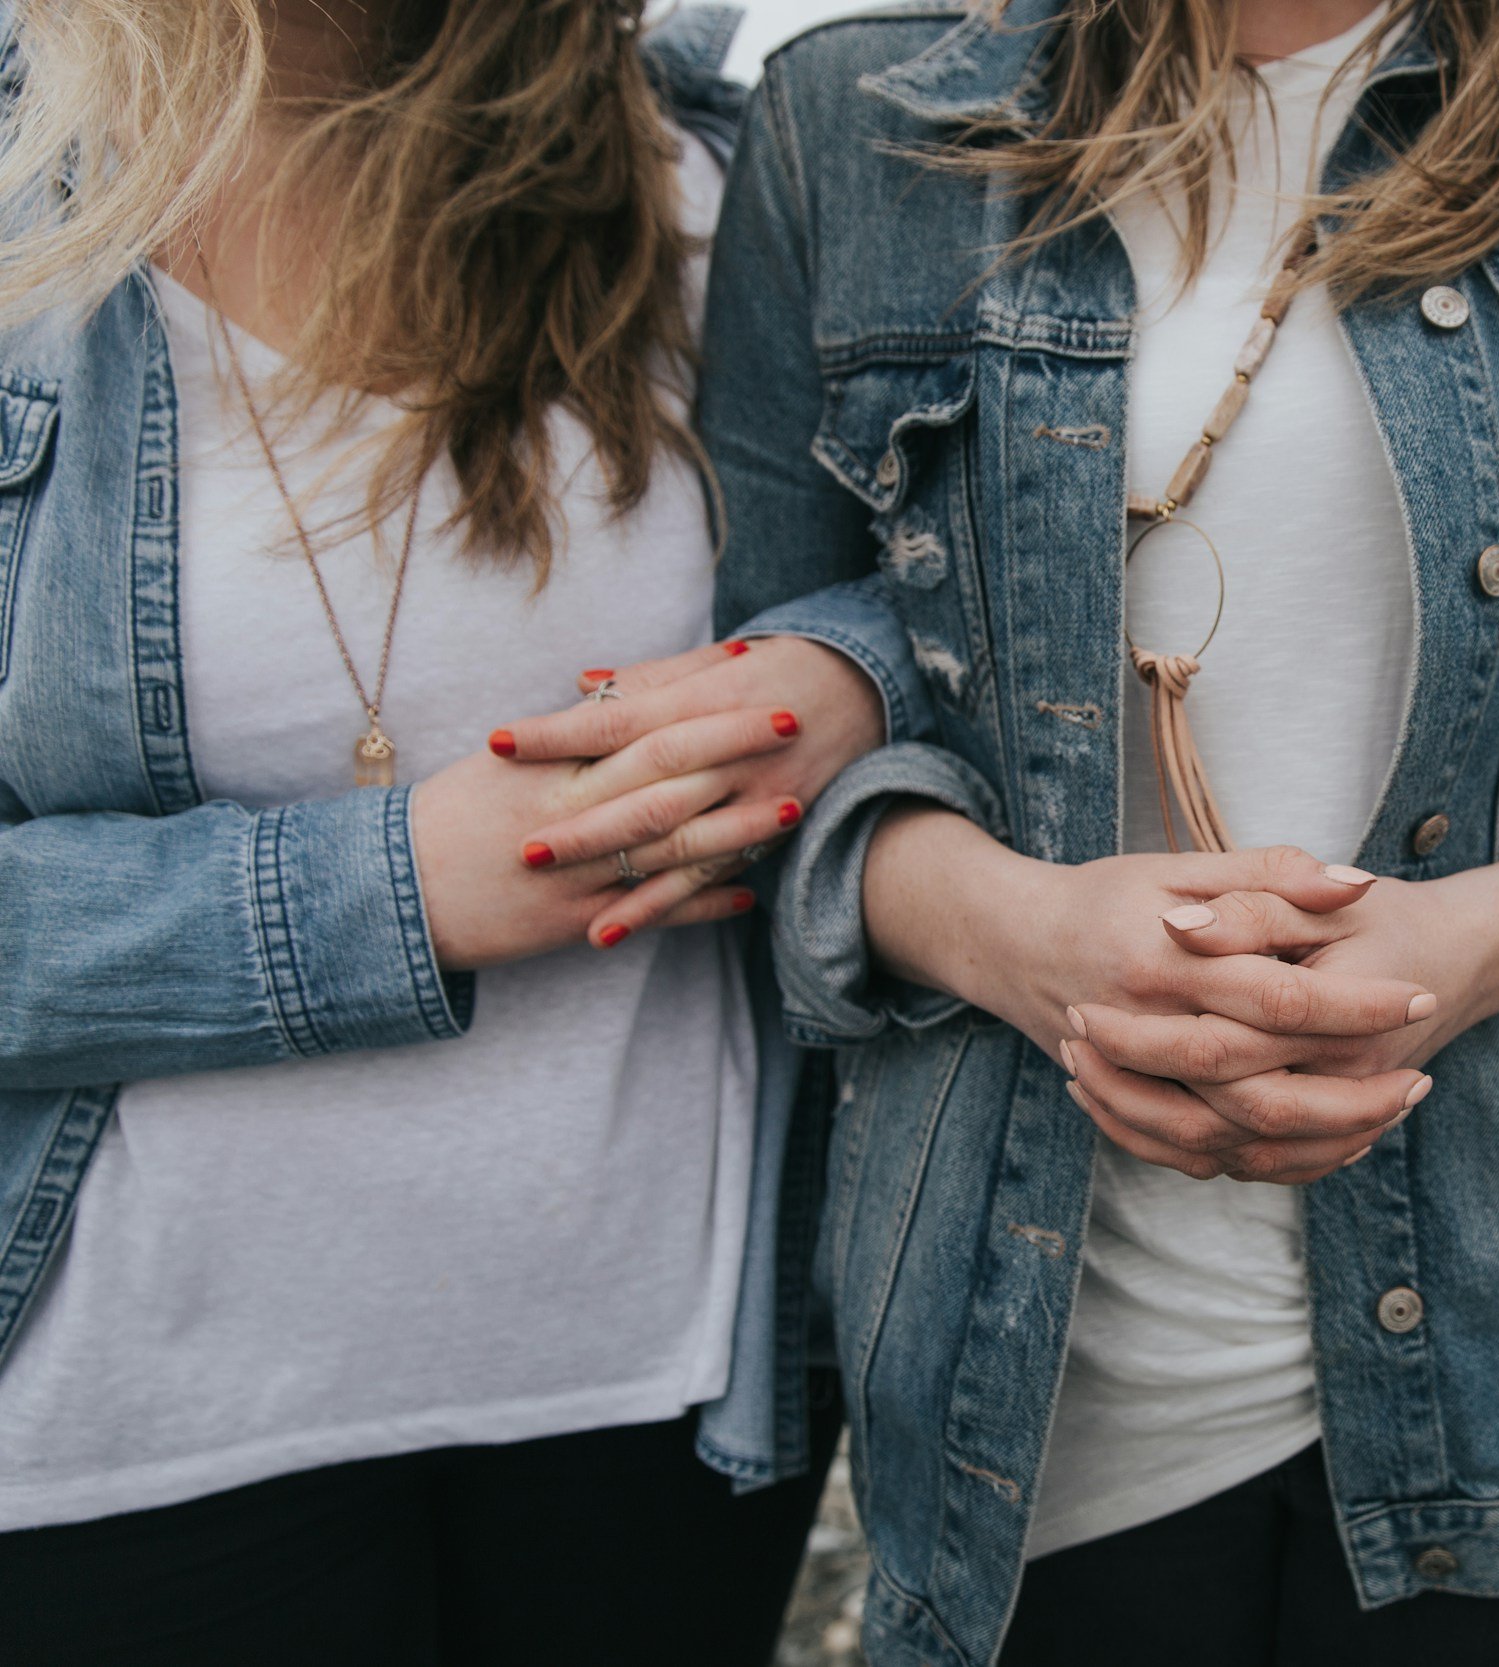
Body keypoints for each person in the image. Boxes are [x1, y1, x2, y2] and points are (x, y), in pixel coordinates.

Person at [500, 0, 1499, 1660]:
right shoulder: (854, 118)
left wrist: (1475, 949)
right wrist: (1020, 938)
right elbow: (782, 725)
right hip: (1042, 1375)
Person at [0, 4, 917, 1661]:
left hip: (658, 1395)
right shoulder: (30, 213)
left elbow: (989, 576)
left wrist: (847, 671)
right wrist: (395, 892)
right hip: (130, 1438)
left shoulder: (730, 169)